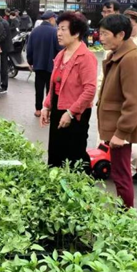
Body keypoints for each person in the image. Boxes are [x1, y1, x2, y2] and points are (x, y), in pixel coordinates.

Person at [97, 14, 137, 208]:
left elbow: (135, 102)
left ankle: (125, 217)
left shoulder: (131, 60)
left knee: (121, 174)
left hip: (121, 129)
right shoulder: (119, 55)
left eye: (105, 34)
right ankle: (124, 216)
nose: (100, 38)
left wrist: (122, 133)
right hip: (116, 126)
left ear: (120, 35)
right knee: (119, 173)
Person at [40, 12, 98, 168]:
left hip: (76, 112)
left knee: (74, 155)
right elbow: (54, 84)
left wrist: (71, 113)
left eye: (63, 29)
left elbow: (90, 90)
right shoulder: (61, 54)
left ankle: (78, 189)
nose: (58, 33)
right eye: (58, 28)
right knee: (56, 152)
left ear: (77, 33)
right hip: (58, 106)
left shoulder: (86, 57)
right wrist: (46, 106)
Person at [27, 11, 62, 117]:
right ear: (51, 19)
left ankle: (38, 109)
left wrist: (30, 62)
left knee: (38, 87)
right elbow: (59, 49)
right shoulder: (54, 32)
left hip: (38, 65)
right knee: (50, 89)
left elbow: (29, 49)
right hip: (52, 66)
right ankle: (48, 110)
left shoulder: (34, 31)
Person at [0, 11, 14, 93]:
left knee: (3, 67)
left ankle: (4, 85)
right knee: (3, 66)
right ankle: (2, 84)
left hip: (4, 48)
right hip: (4, 47)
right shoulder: (3, 22)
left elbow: (3, 36)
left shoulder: (2, 23)